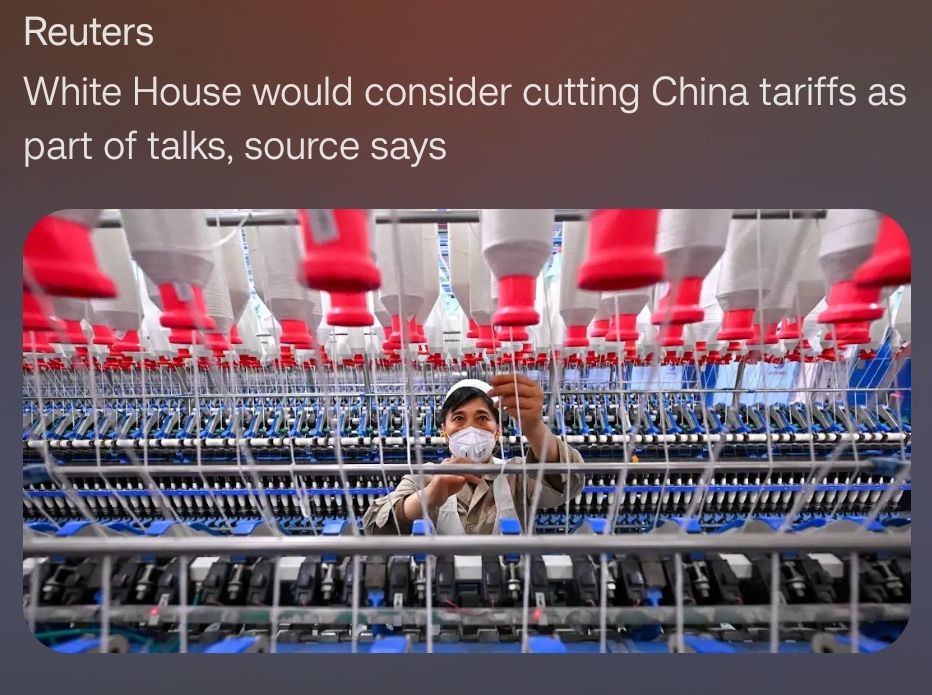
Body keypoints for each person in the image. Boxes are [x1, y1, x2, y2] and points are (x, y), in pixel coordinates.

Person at [363, 373, 585, 535]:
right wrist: (428, 496)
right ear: (444, 431)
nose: (471, 429)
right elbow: (374, 526)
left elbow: (571, 483)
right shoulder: (425, 478)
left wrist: (534, 427)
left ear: (497, 430)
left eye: (482, 418)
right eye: (459, 419)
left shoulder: (516, 475)